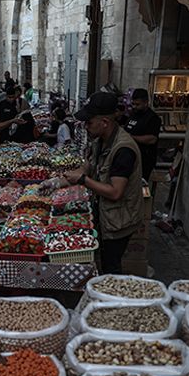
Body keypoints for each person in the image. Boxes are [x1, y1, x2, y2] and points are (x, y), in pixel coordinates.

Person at [64, 92, 144, 274]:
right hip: (106, 212)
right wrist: (58, 182)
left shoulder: (123, 150)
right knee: (103, 258)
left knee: (111, 264)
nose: (85, 127)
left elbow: (115, 192)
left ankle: (112, 297)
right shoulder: (100, 140)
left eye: (89, 122)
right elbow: (87, 167)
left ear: (105, 122)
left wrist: (83, 181)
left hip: (119, 220)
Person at [124, 89, 161, 181]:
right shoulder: (134, 114)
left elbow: (152, 139)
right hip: (130, 157)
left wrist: (131, 137)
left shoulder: (152, 118)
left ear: (146, 103)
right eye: (133, 104)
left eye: (137, 104)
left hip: (144, 160)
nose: (134, 107)